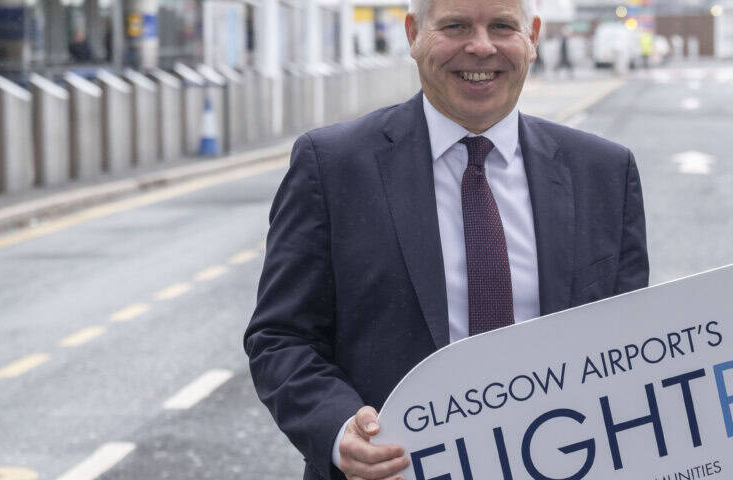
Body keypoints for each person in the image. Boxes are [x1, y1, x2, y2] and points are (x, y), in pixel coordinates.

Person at [242, 0, 649, 477]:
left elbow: (631, 346)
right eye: (455, 26)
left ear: (533, 36)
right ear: (414, 34)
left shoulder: (604, 171)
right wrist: (337, 430)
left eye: (502, 26)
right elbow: (281, 336)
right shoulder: (332, 165)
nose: (480, 47)